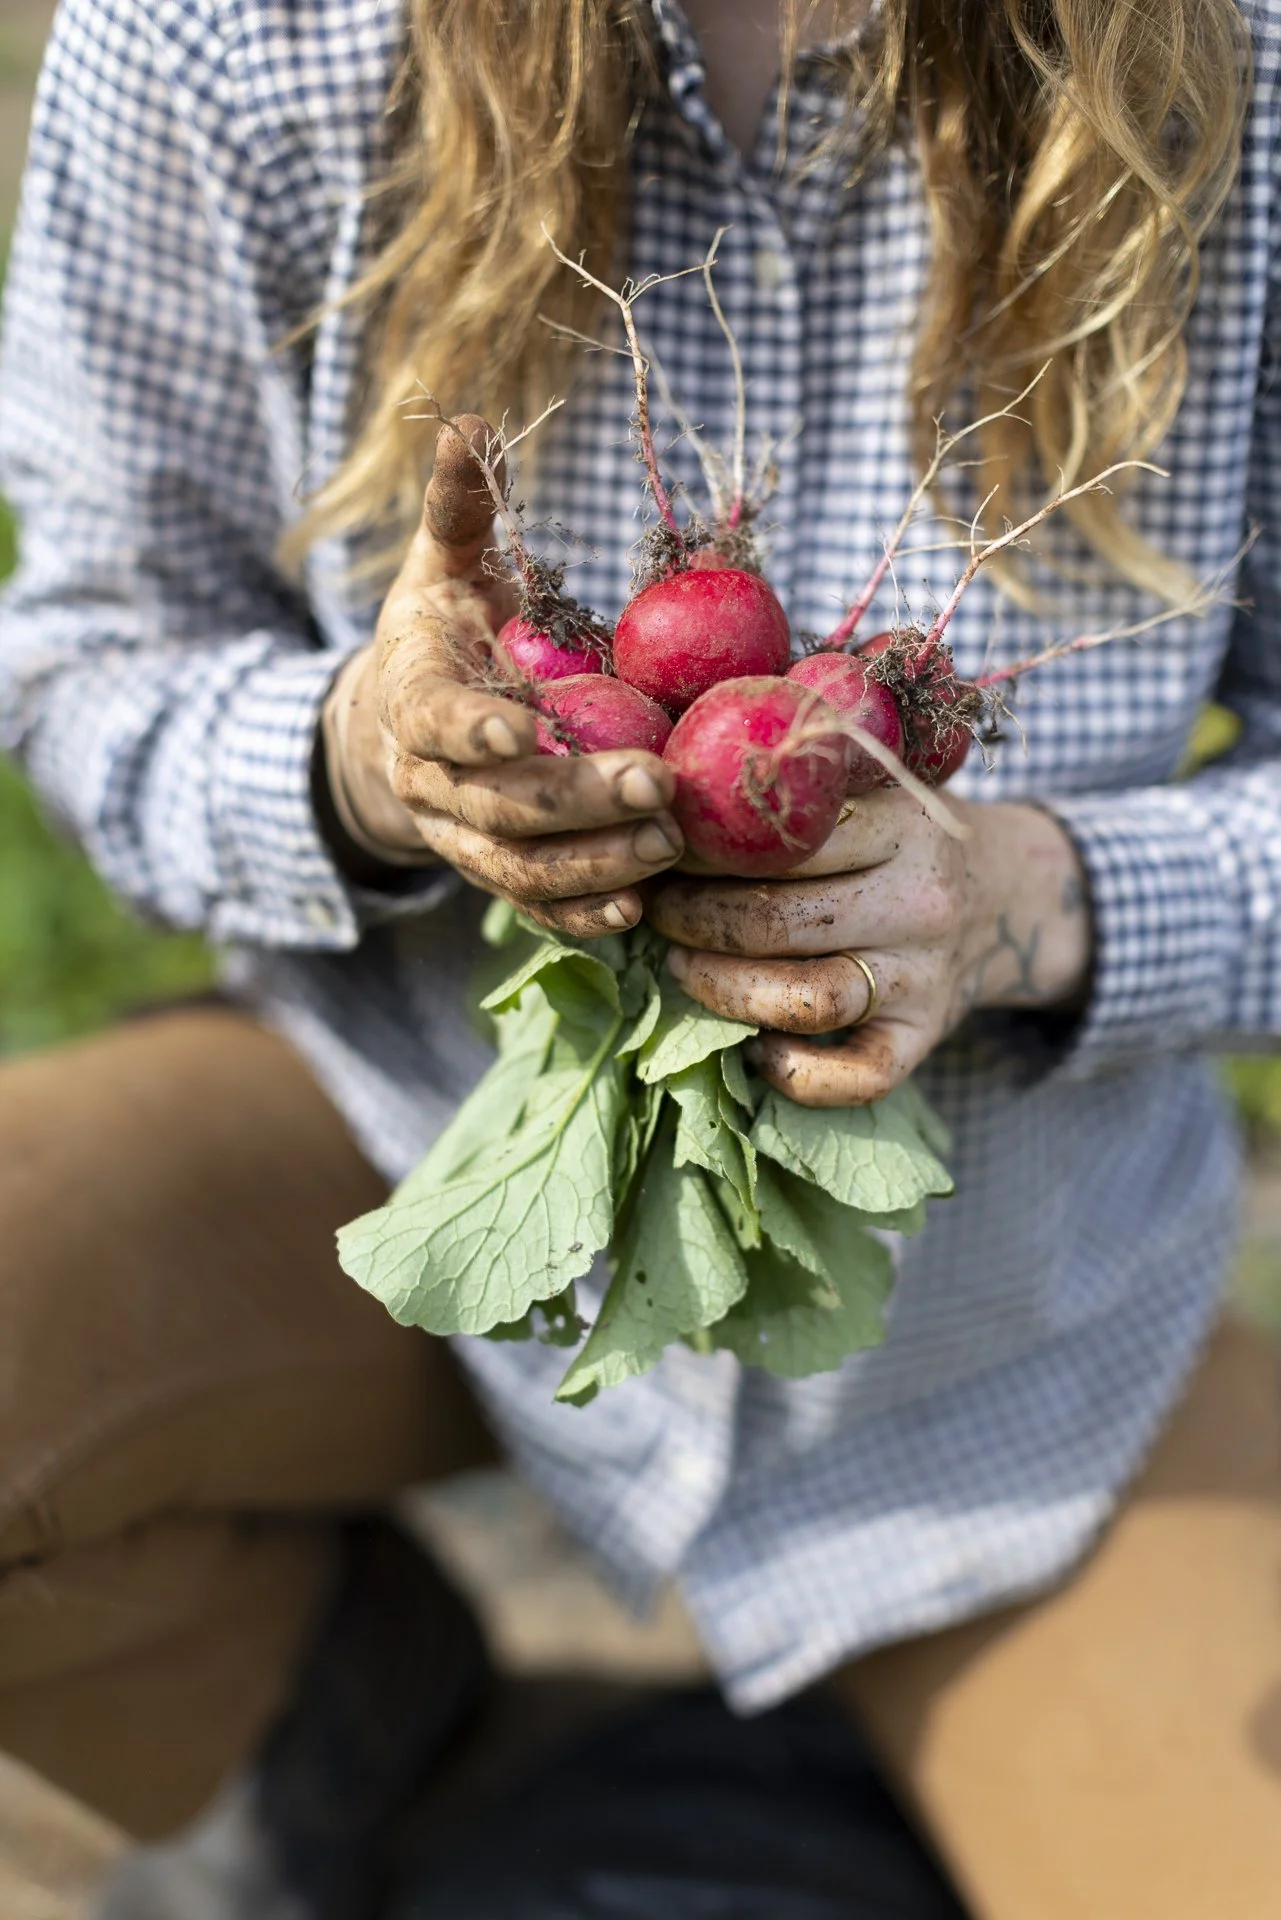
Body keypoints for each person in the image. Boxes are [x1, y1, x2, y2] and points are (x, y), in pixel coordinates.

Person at [0, 0, 1279, 1914]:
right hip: (399, 1131)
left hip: (1023, 1333)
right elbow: (88, 656)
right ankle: (373, 1733)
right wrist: (367, 757)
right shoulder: (232, 33)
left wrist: (1015, 899)